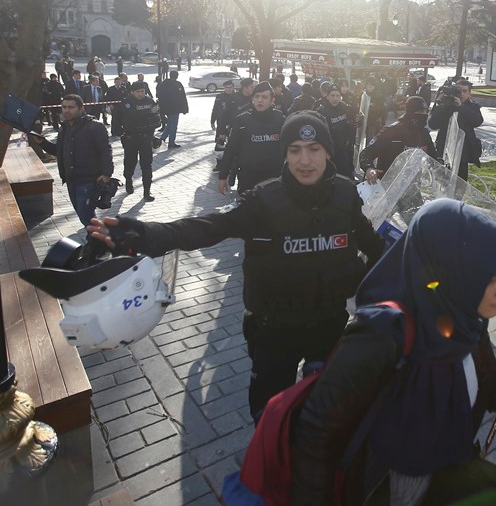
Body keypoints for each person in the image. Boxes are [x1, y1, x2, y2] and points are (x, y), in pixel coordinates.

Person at [288, 198, 496, 504]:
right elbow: (316, 434)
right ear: (452, 274)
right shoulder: (381, 333)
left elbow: (491, 390)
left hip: (448, 475)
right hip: (388, 489)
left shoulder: (464, 318)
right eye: (492, 278)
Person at [89, 112, 385, 420]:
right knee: (269, 416)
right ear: (284, 154)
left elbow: (375, 246)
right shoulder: (263, 200)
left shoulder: (345, 194)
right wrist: (147, 234)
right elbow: (210, 226)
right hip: (275, 330)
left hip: (330, 324)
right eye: (295, 150)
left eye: (314, 149)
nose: (305, 160)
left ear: (327, 151)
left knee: (328, 415)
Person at [29, 95, 113, 227]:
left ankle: (98, 242)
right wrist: (42, 142)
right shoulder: (65, 128)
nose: (66, 110)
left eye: (71, 107)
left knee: (87, 217)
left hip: (88, 181)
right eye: (64, 107)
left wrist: (107, 174)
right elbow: (59, 151)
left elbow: (105, 151)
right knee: (84, 216)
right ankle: (96, 242)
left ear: (81, 108)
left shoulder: (94, 127)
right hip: (71, 180)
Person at [218, 81, 285, 195]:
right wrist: (223, 176)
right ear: (252, 99)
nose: (260, 100)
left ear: (272, 100)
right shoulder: (242, 120)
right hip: (248, 180)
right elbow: (230, 150)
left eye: (264, 97)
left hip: (275, 179)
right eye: (257, 96)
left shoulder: (280, 120)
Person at [360, 96, 436, 184]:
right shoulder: (391, 131)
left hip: (412, 186)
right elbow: (366, 153)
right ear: (410, 113)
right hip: (388, 186)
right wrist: (369, 169)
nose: (424, 115)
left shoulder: (423, 134)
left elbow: (433, 158)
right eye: (420, 112)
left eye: (426, 112)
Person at [428, 79, 484, 181]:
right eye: (458, 91)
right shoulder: (445, 104)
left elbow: (477, 121)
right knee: (443, 183)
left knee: (460, 185)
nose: (461, 94)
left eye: (465, 91)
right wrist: (440, 104)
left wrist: (461, 107)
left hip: (463, 153)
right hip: (445, 151)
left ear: (469, 94)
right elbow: (432, 124)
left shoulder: (472, 107)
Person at [116, 81, 161, 202]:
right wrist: (149, 114)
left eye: (143, 91)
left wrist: (152, 116)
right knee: (130, 163)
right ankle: (128, 180)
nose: (141, 94)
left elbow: (158, 120)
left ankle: (147, 191)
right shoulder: (127, 103)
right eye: (138, 92)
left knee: (147, 166)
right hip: (131, 138)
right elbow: (131, 118)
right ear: (132, 92)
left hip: (146, 138)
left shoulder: (149, 101)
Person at [315, 84, 356, 179]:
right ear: (327, 96)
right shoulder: (321, 111)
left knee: (346, 177)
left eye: (338, 96)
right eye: (332, 95)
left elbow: (350, 124)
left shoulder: (344, 107)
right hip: (329, 152)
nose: (335, 99)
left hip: (344, 150)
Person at [156, 70, 189, 149]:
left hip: (166, 108)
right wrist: (185, 108)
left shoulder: (163, 84)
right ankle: (171, 142)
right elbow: (182, 97)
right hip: (175, 108)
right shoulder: (177, 84)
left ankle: (162, 139)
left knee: (170, 124)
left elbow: (159, 96)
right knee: (173, 126)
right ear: (176, 76)